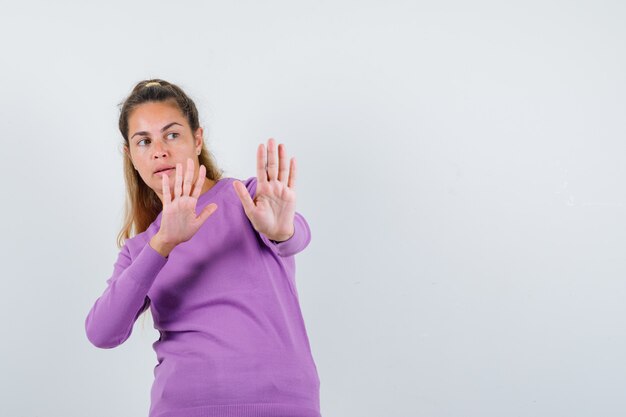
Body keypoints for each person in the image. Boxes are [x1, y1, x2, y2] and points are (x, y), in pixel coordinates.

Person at [84, 79, 321, 417]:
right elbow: (102, 332)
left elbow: (296, 235)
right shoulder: (142, 248)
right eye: (144, 141)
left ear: (197, 139)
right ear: (130, 155)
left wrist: (282, 231)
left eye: (172, 134)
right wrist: (162, 244)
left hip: (282, 403)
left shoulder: (246, 197)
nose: (159, 151)